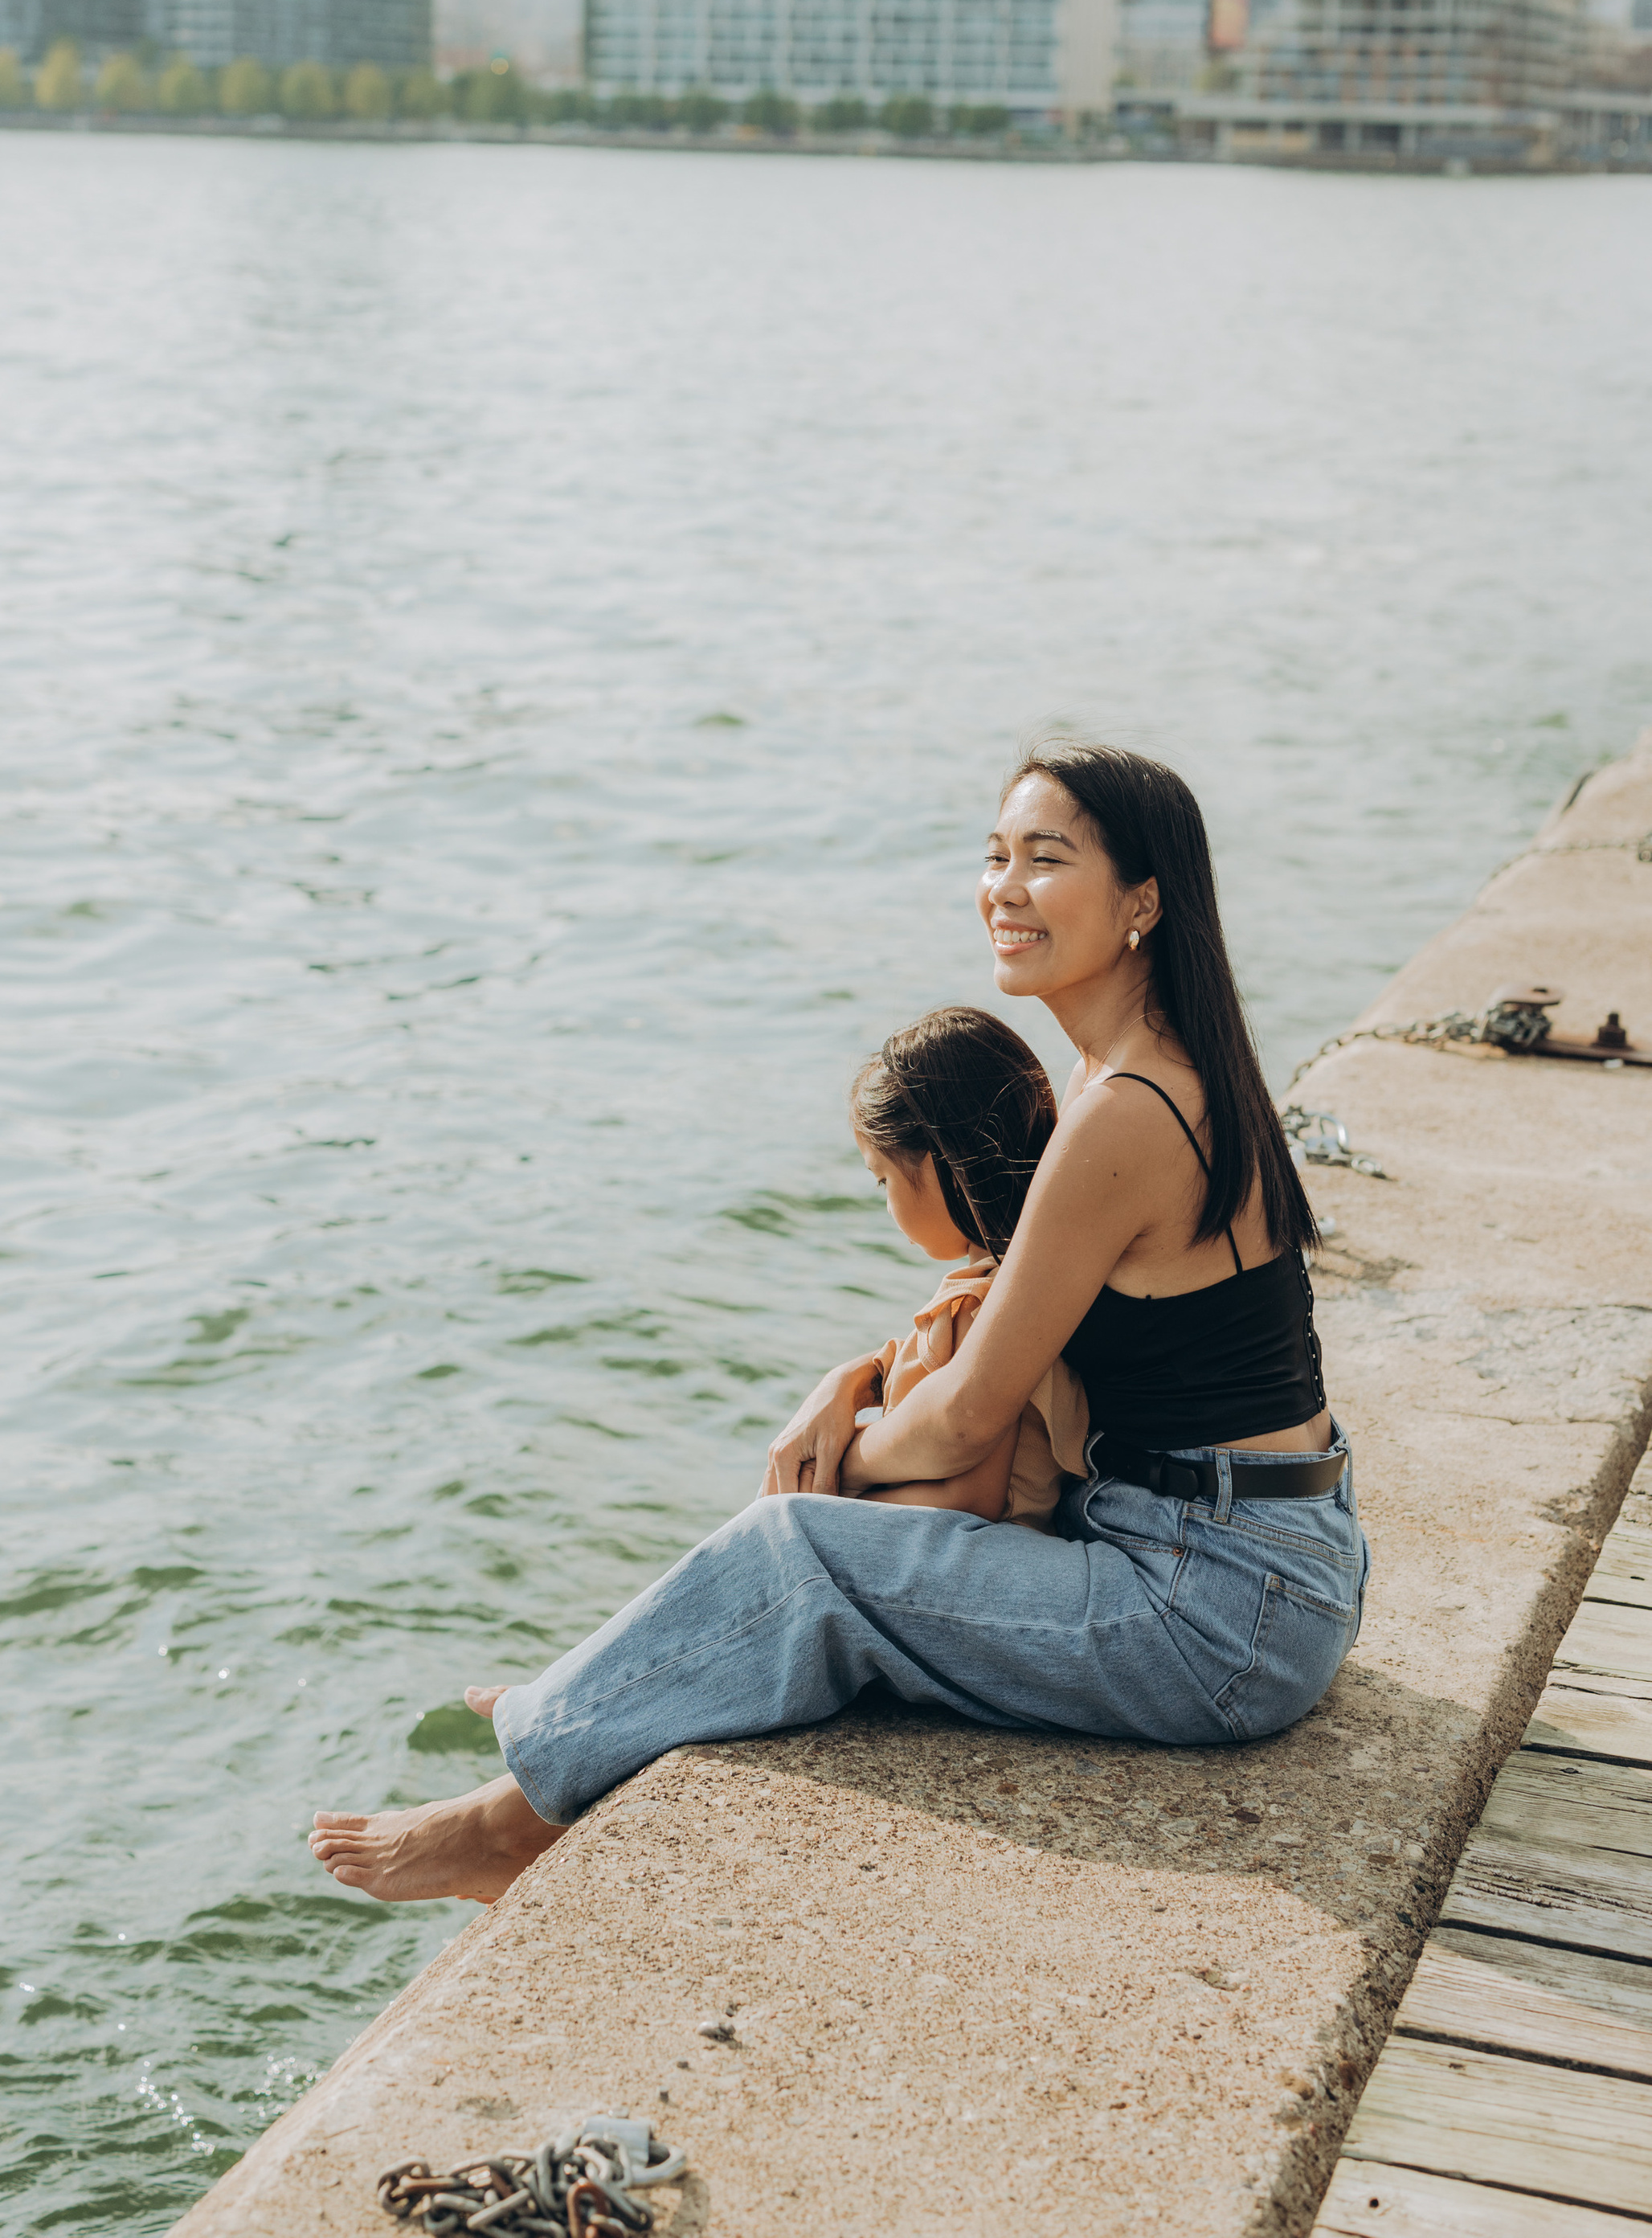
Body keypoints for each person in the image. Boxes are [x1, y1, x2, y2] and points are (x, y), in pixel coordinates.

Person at [310, 742, 1366, 1906]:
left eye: (1046, 860)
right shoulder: (1159, 1069)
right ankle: (581, 1719)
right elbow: (1023, 1310)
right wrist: (853, 1380)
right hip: (1262, 1565)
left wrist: (829, 1466)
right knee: (828, 1554)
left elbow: (968, 1418)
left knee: (797, 1553)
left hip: (1213, 1616)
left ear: (1142, 902)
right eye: (995, 856)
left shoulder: (1124, 1109)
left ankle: (507, 1822)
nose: (1004, 889)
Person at [843, 1005, 1086, 1524]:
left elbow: (971, 1500)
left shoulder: (981, 1308)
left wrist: (835, 1508)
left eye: (884, 1180)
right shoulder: (1040, 1284)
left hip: (983, 1558)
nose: (887, 1204)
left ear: (936, 1166)